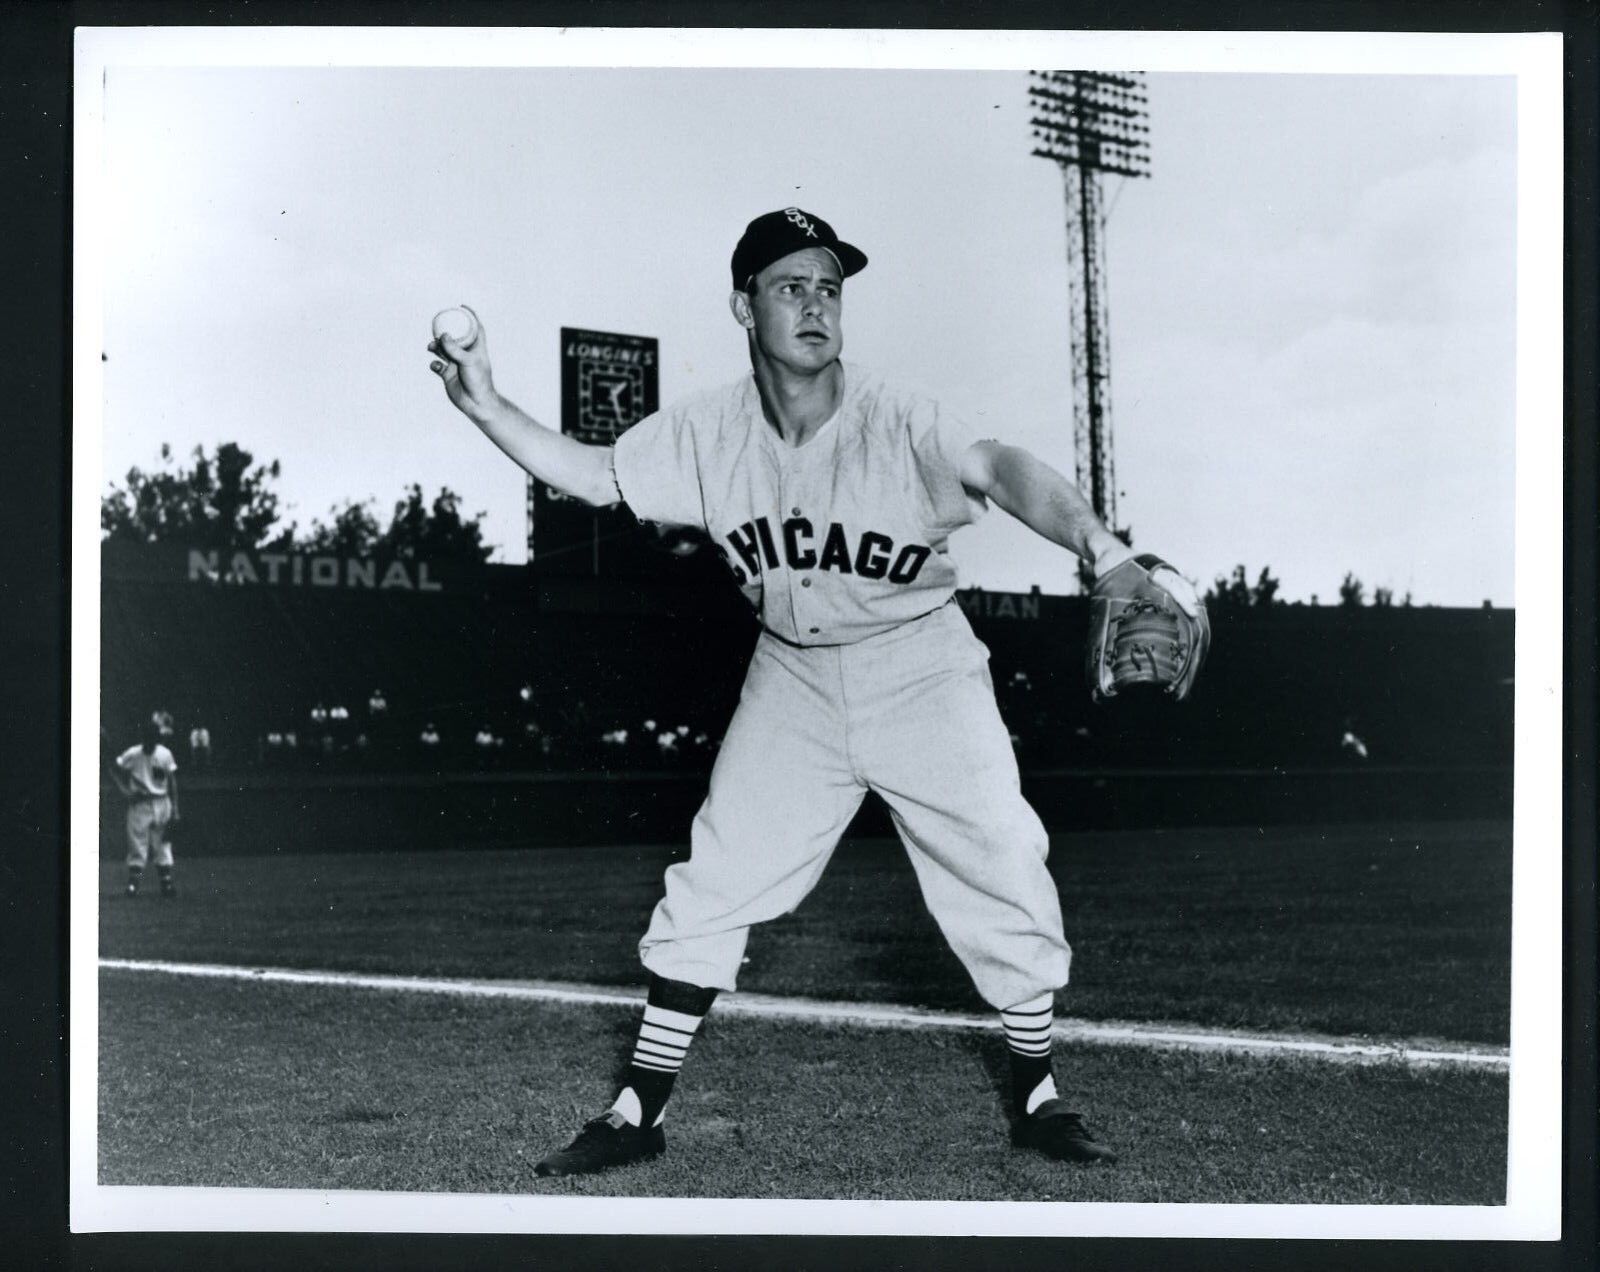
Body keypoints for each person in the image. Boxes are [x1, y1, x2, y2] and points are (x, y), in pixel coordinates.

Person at [429, 207, 1190, 1178]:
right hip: (790, 669)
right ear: (743, 306)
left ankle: (1039, 1097)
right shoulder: (706, 432)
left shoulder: (898, 415)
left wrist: (1103, 548)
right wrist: (485, 402)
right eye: (792, 286)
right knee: (715, 875)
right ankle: (634, 1112)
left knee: (1002, 858)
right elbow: (589, 473)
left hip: (918, 662)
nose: (817, 304)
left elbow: (1001, 467)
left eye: (829, 287)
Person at [111, 718, 180, 898]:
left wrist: (175, 809)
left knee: (162, 843)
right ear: (142, 738)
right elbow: (113, 769)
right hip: (139, 803)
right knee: (137, 843)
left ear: (157, 738)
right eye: (146, 737)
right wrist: (125, 791)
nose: (149, 740)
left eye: (152, 737)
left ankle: (166, 883)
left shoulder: (165, 754)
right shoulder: (133, 754)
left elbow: (172, 781)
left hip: (161, 800)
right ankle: (133, 884)